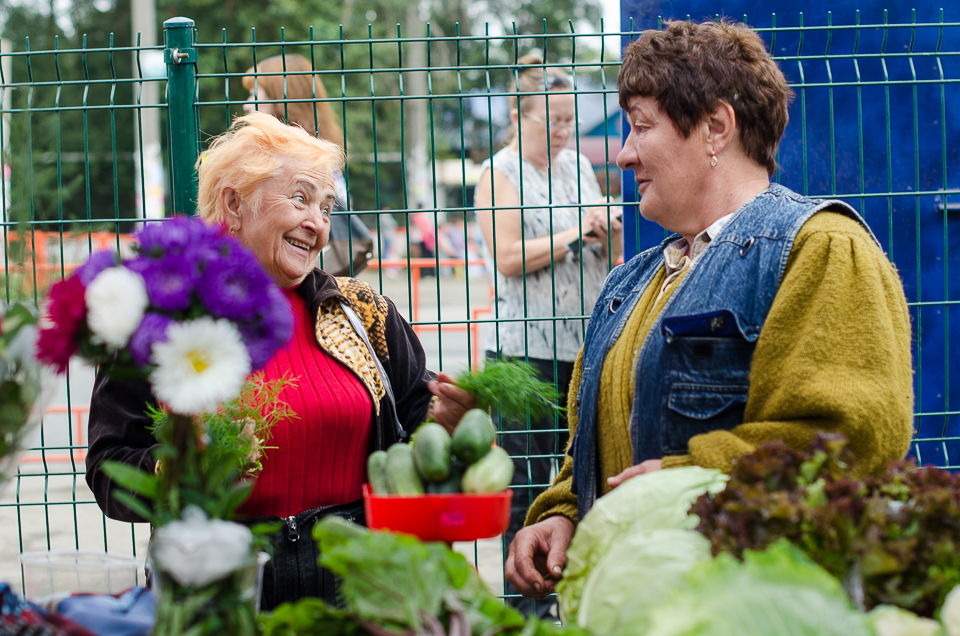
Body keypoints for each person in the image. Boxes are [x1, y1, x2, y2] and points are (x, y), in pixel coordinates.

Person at [505, 20, 914, 601]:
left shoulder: (822, 249)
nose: (623, 154)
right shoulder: (631, 280)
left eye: (641, 127)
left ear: (716, 128)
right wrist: (565, 511)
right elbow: (602, 444)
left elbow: (851, 438)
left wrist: (690, 481)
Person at [85, 112, 475, 610]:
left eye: (327, 207)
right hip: (220, 578)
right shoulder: (159, 321)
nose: (318, 225)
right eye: (300, 199)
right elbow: (109, 468)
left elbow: (418, 424)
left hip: (355, 573)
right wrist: (180, 471)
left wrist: (446, 423)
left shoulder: (362, 313)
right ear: (234, 202)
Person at [472, 54, 623, 616]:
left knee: (573, 478)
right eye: (553, 120)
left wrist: (604, 235)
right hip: (523, 353)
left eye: (568, 120)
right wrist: (575, 231)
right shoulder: (499, 173)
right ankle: (525, 610)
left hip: (579, 347)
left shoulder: (577, 169)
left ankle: (574, 600)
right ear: (520, 115)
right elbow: (508, 258)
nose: (564, 131)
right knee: (528, 485)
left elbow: (594, 244)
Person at [242, 54, 373, 277]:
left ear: (283, 98)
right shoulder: (322, 152)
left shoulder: (297, 159)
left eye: (254, 94)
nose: (246, 106)